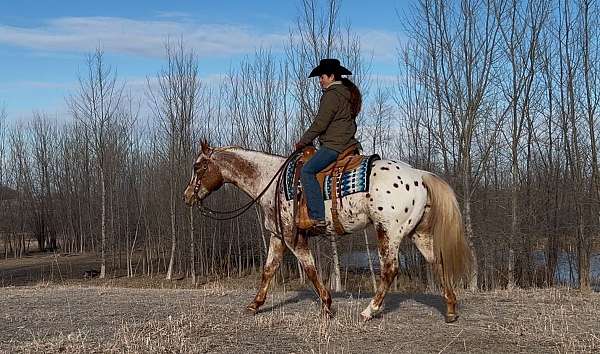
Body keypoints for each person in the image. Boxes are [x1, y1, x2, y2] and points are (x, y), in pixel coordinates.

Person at [295, 58, 362, 231]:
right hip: (349, 143)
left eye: (322, 77)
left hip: (334, 145)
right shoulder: (347, 93)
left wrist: (303, 141)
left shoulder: (332, 95)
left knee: (307, 170)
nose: (320, 80)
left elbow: (320, 123)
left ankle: (318, 217)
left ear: (331, 76)